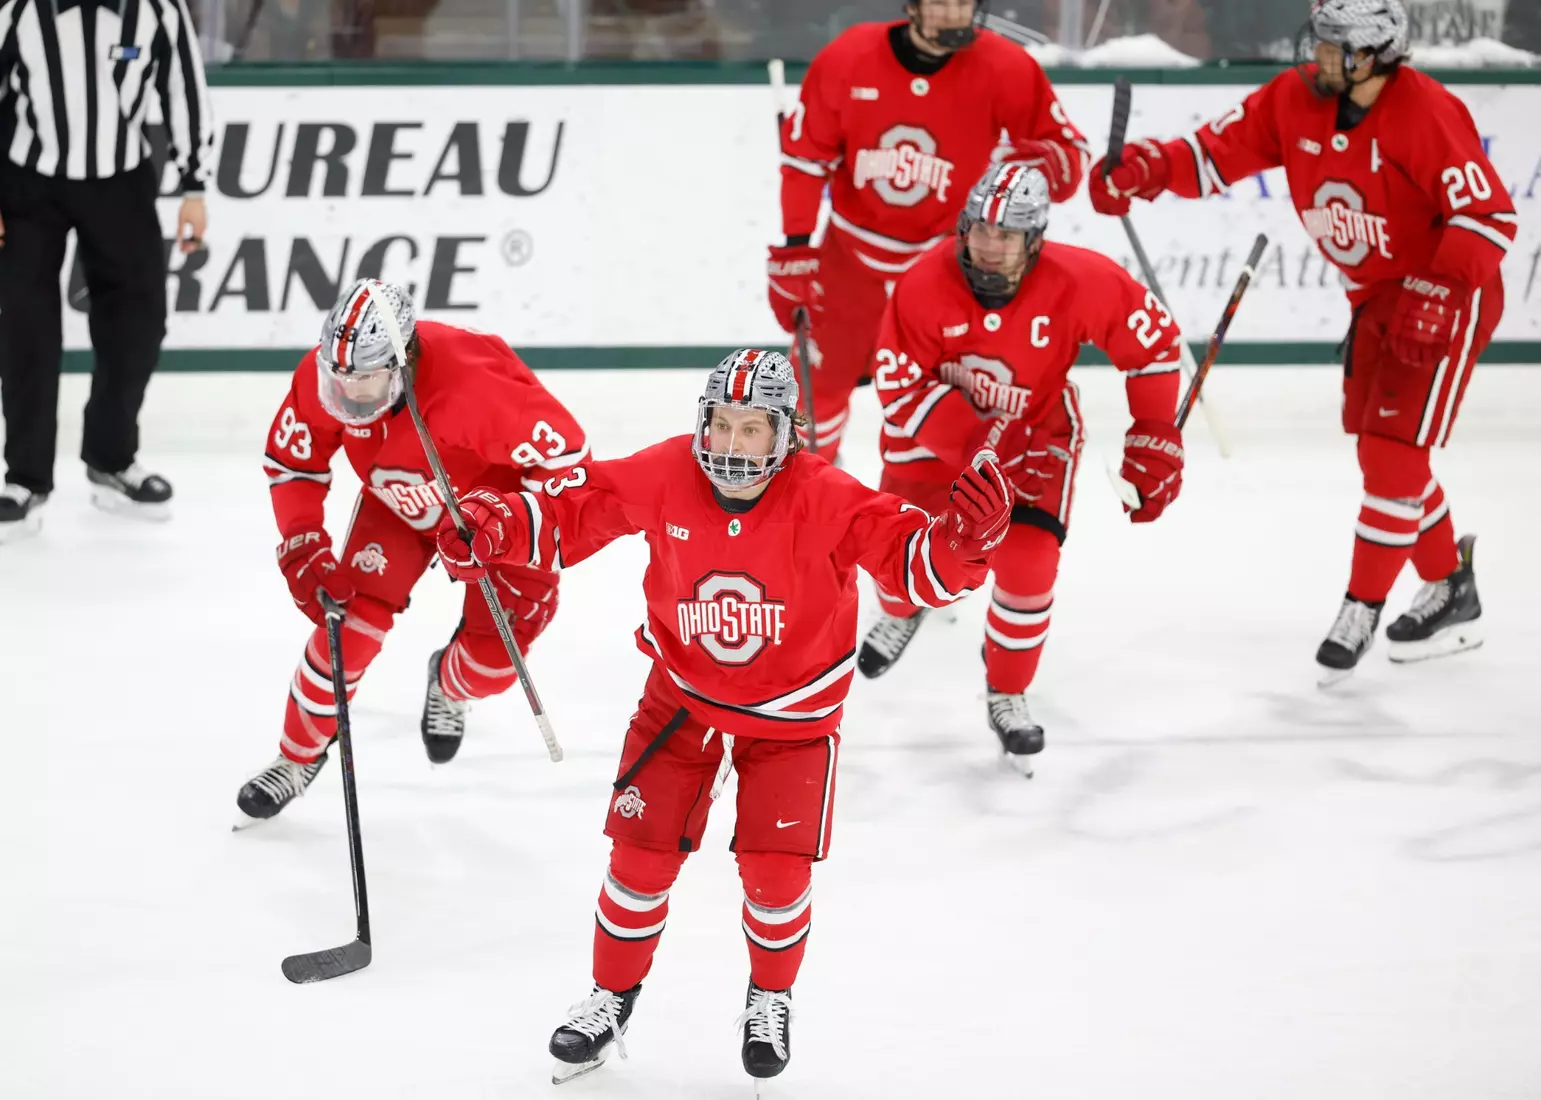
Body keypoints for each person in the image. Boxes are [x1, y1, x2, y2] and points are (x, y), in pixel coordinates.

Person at [433, 349, 1010, 1084]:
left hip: (793, 719)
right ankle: (609, 998)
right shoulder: (668, 471)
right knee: (638, 861)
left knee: (775, 876)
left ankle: (769, 997)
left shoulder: (826, 494)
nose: (732, 446)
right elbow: (573, 506)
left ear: (785, 433)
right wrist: (495, 525)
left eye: (751, 430)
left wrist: (961, 545)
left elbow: (913, 563)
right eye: (721, 426)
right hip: (680, 703)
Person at [1088, 0, 1513, 683]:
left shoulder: (1423, 112)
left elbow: (1487, 216)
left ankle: (1359, 605)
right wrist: (1144, 171)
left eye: (1331, 45)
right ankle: (1449, 588)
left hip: (1446, 294)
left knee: (1390, 454)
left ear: (1371, 55)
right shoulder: (1293, 99)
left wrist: (1436, 291)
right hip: (1374, 296)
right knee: (1385, 458)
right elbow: (1211, 154)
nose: (1313, 55)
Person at [857, 162, 1186, 773]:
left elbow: (1155, 346)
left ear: (1034, 239)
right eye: (978, 230)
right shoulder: (924, 283)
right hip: (930, 438)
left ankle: (1006, 690)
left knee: (1029, 564)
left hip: (1036, 436)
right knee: (899, 555)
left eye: (1004, 236)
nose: (987, 245)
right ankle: (903, 612)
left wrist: (1154, 433)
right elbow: (899, 386)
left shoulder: (1079, 278)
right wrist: (980, 441)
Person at [234, 279, 588, 824]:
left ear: (404, 363)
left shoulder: (476, 386)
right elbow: (294, 462)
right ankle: (296, 758)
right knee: (345, 628)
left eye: (368, 383)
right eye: (339, 381)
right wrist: (303, 538)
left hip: (492, 523)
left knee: (492, 666)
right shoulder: (327, 374)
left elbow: (570, 463)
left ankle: (447, 682)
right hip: (396, 505)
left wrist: (509, 523)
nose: (348, 398)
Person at [769, 0, 1088, 461]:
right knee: (815, 389)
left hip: (947, 267)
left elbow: (1067, 154)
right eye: (940, 2)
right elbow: (804, 161)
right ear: (913, 6)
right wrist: (796, 249)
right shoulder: (849, 56)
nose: (952, 15)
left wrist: (1042, 164)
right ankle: (805, 485)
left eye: (963, 3)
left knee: (949, 395)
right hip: (850, 259)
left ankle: (950, 507)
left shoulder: (1006, 66)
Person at [0, 0, 213, 542]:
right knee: (24, 326)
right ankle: (25, 477)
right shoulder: (17, 9)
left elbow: (186, 90)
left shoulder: (156, 11)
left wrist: (195, 186)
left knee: (139, 321)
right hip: (29, 180)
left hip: (119, 178)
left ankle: (111, 458)